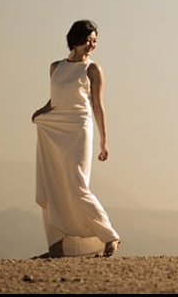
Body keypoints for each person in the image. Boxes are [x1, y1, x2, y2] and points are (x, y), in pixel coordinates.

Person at [31, 19, 121, 258]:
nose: (91, 45)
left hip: (79, 128)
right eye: (88, 40)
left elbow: (97, 105)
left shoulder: (92, 69)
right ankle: (58, 246)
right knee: (53, 185)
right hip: (54, 127)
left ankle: (109, 235)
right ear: (76, 38)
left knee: (76, 184)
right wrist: (42, 111)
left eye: (95, 41)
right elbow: (55, 99)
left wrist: (104, 140)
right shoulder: (55, 67)